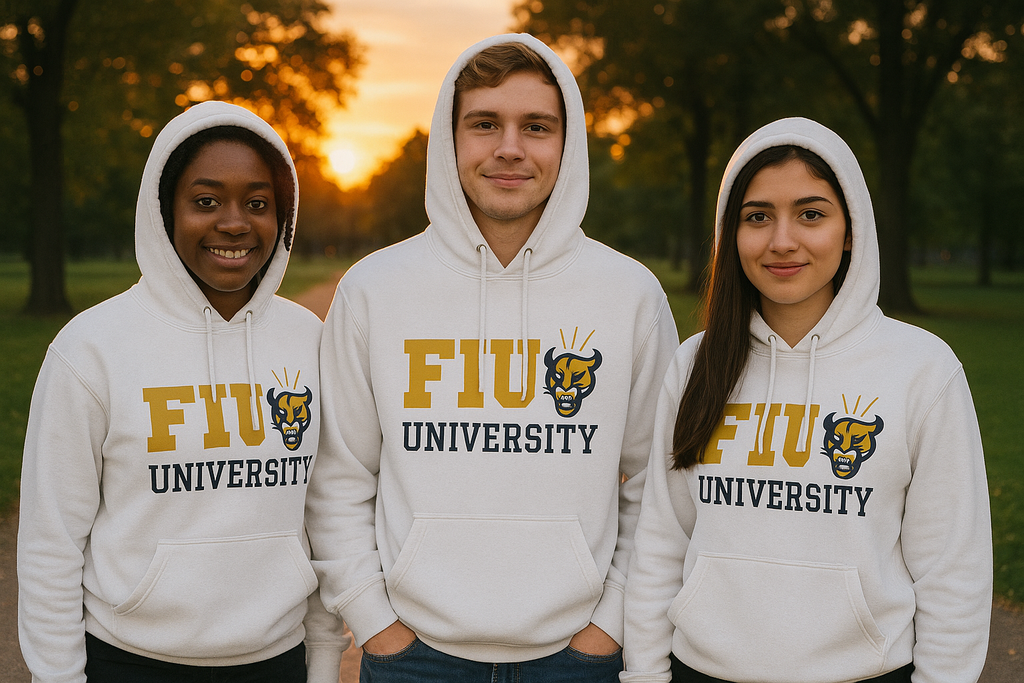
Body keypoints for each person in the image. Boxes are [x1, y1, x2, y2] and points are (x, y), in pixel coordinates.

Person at [305, 33, 678, 681]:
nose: (510, 147)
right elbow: (338, 479)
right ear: (449, 140)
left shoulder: (630, 295)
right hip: (413, 656)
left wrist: (608, 625)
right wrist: (376, 625)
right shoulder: (375, 289)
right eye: (485, 124)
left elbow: (659, 489)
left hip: (578, 658)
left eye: (537, 126)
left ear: (568, 142)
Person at [621, 117, 992, 683]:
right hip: (701, 672)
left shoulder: (922, 369)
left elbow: (952, 572)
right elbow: (661, 542)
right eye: (757, 217)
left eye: (811, 214)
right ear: (730, 233)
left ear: (850, 231)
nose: (782, 241)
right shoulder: (696, 364)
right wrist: (644, 675)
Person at [18, 101, 348, 682]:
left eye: (257, 203)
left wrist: (322, 660)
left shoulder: (312, 343)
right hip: (130, 662)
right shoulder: (91, 348)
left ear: (284, 217)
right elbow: (51, 545)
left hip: (277, 662)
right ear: (163, 210)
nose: (233, 222)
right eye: (205, 201)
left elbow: (327, 520)